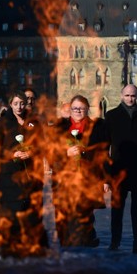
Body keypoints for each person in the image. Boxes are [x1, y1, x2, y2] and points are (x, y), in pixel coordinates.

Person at [0, 90, 48, 254]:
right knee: (11, 215)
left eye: (22, 103)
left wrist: (32, 152)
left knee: (31, 214)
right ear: (10, 104)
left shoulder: (33, 122)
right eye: (16, 103)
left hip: (30, 176)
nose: (19, 107)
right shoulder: (2, 123)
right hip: (9, 177)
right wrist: (12, 154)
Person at [50, 95, 106, 247]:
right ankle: (68, 243)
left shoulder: (98, 127)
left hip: (87, 178)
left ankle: (86, 243)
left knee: (84, 214)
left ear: (87, 109)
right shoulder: (60, 128)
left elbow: (102, 153)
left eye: (81, 108)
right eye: (75, 108)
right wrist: (65, 153)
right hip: (65, 179)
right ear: (70, 110)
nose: (78, 111)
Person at [104, 84, 137, 253]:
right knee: (117, 209)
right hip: (118, 170)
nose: (130, 99)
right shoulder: (111, 116)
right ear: (121, 95)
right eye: (127, 95)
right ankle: (115, 242)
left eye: (133, 96)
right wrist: (107, 174)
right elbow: (105, 146)